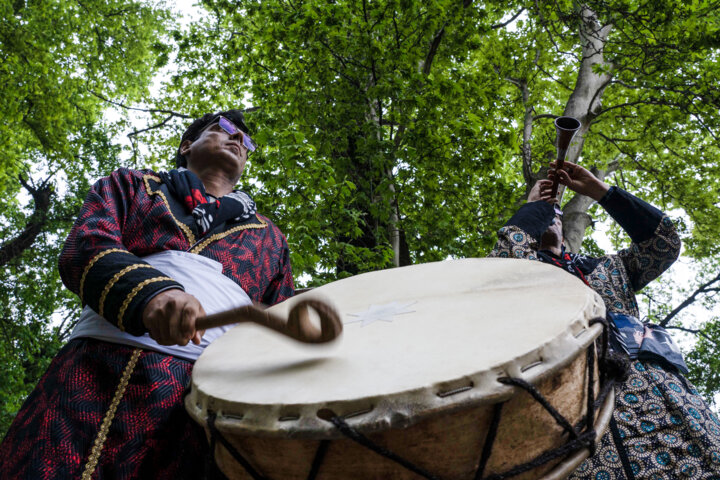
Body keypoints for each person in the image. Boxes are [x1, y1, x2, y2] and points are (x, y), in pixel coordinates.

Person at [0, 110, 294, 479]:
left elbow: (278, 325)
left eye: (246, 141)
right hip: (91, 374)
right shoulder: (132, 185)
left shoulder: (270, 238)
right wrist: (152, 293)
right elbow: (87, 246)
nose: (238, 139)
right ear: (187, 145)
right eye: (225, 130)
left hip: (201, 410)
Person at [489, 160, 720, 479]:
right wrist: (533, 208)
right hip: (580, 408)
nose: (548, 218)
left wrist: (602, 192)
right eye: (539, 215)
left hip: (664, 396)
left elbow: (664, 244)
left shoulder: (611, 267)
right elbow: (503, 263)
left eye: (554, 213)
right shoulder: (521, 274)